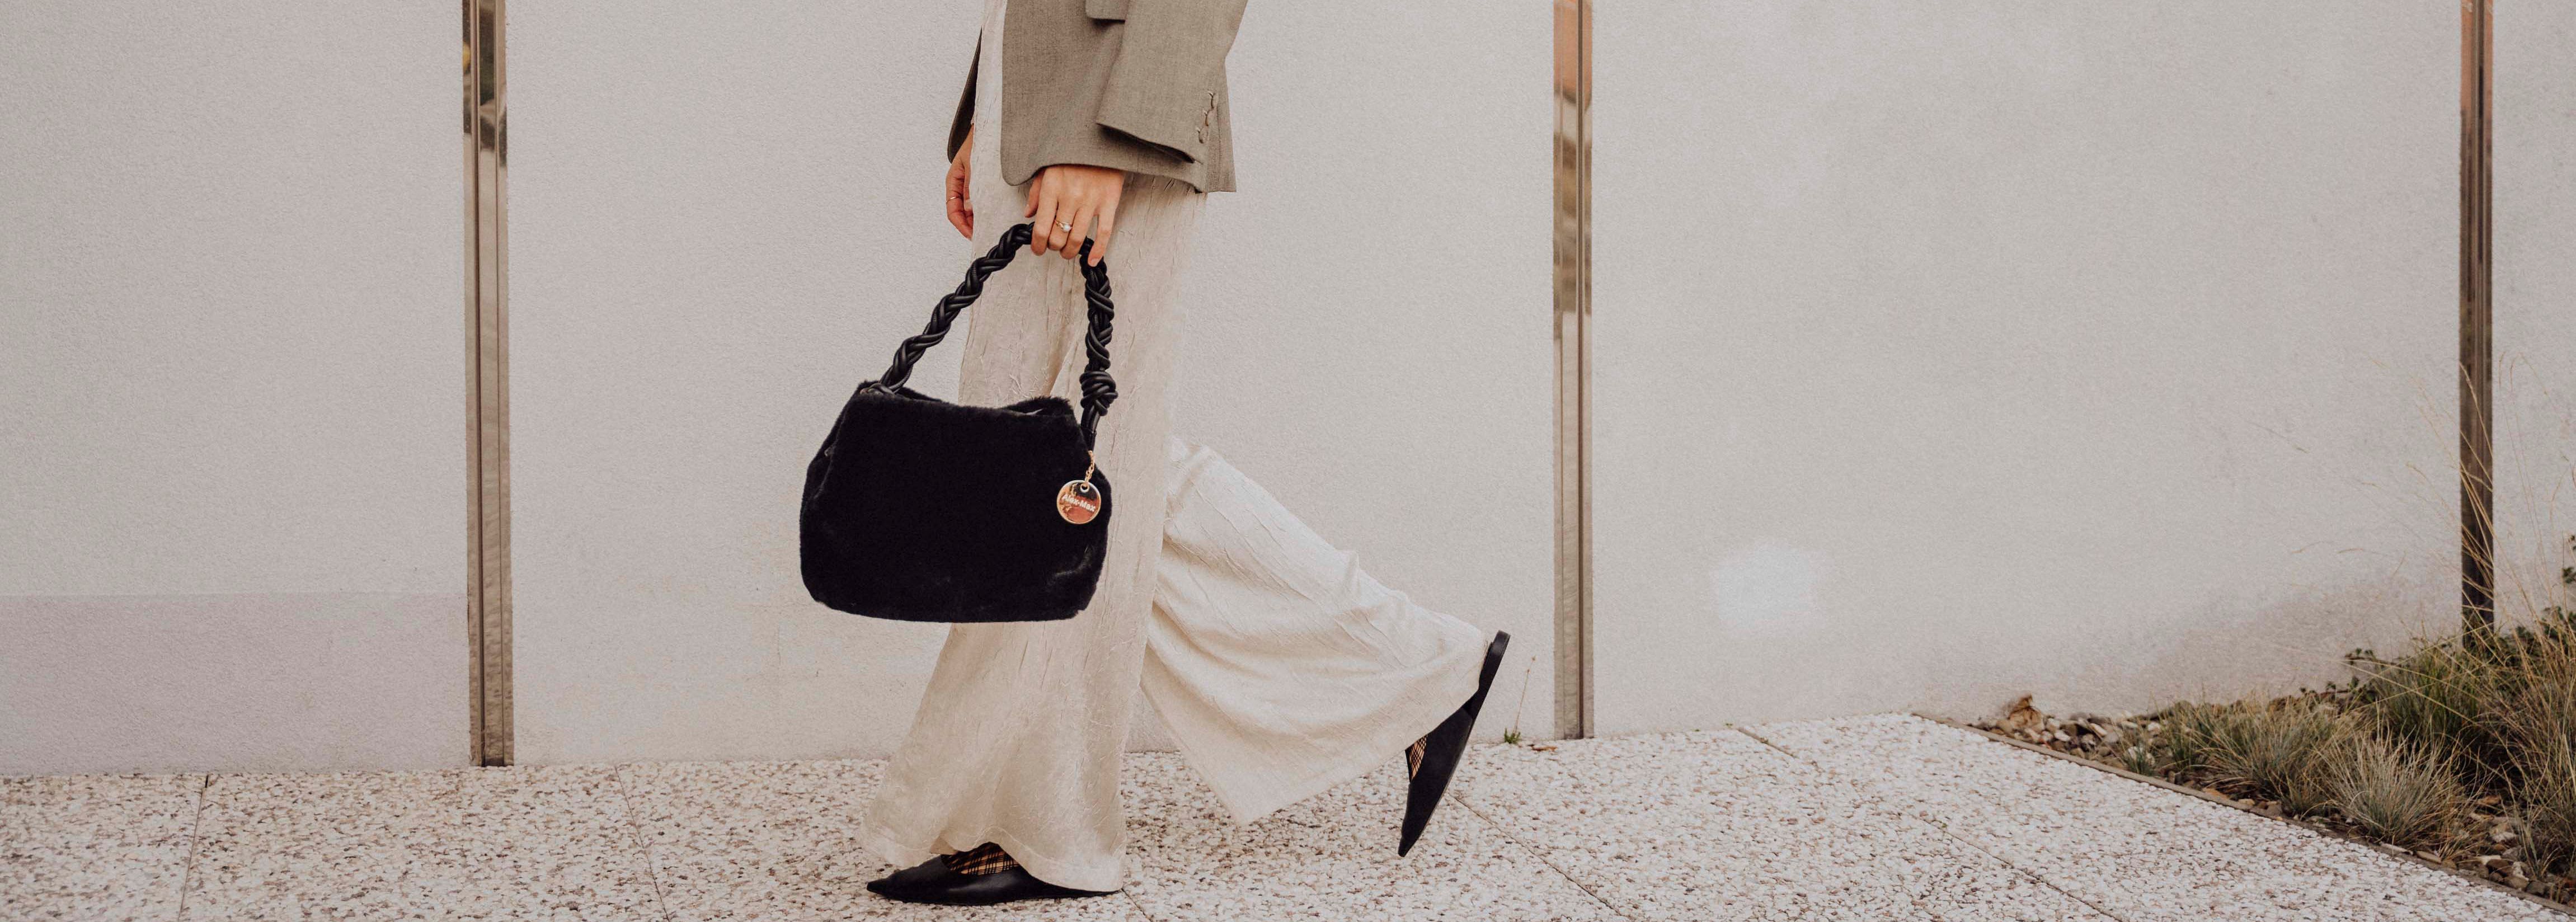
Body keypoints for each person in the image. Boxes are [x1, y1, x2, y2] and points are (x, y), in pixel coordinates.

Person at [859, 0, 1511, 906]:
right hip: (1045, 93)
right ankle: (1414, 669)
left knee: (1062, 464)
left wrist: (1111, 134)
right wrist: (991, 101)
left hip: (1105, 104)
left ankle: (1048, 826)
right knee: (1064, 467)